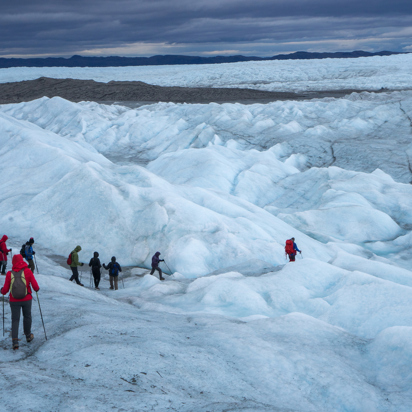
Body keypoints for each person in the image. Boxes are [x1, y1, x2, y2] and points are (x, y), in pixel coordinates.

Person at [1, 254, 39, 350]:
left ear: (13, 262)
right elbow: (35, 286)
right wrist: (37, 289)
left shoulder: (10, 274)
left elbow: (5, 290)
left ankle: (15, 341)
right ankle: (28, 335)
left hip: (14, 300)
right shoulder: (28, 271)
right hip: (27, 299)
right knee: (27, 316)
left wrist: (1, 291)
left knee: (15, 319)